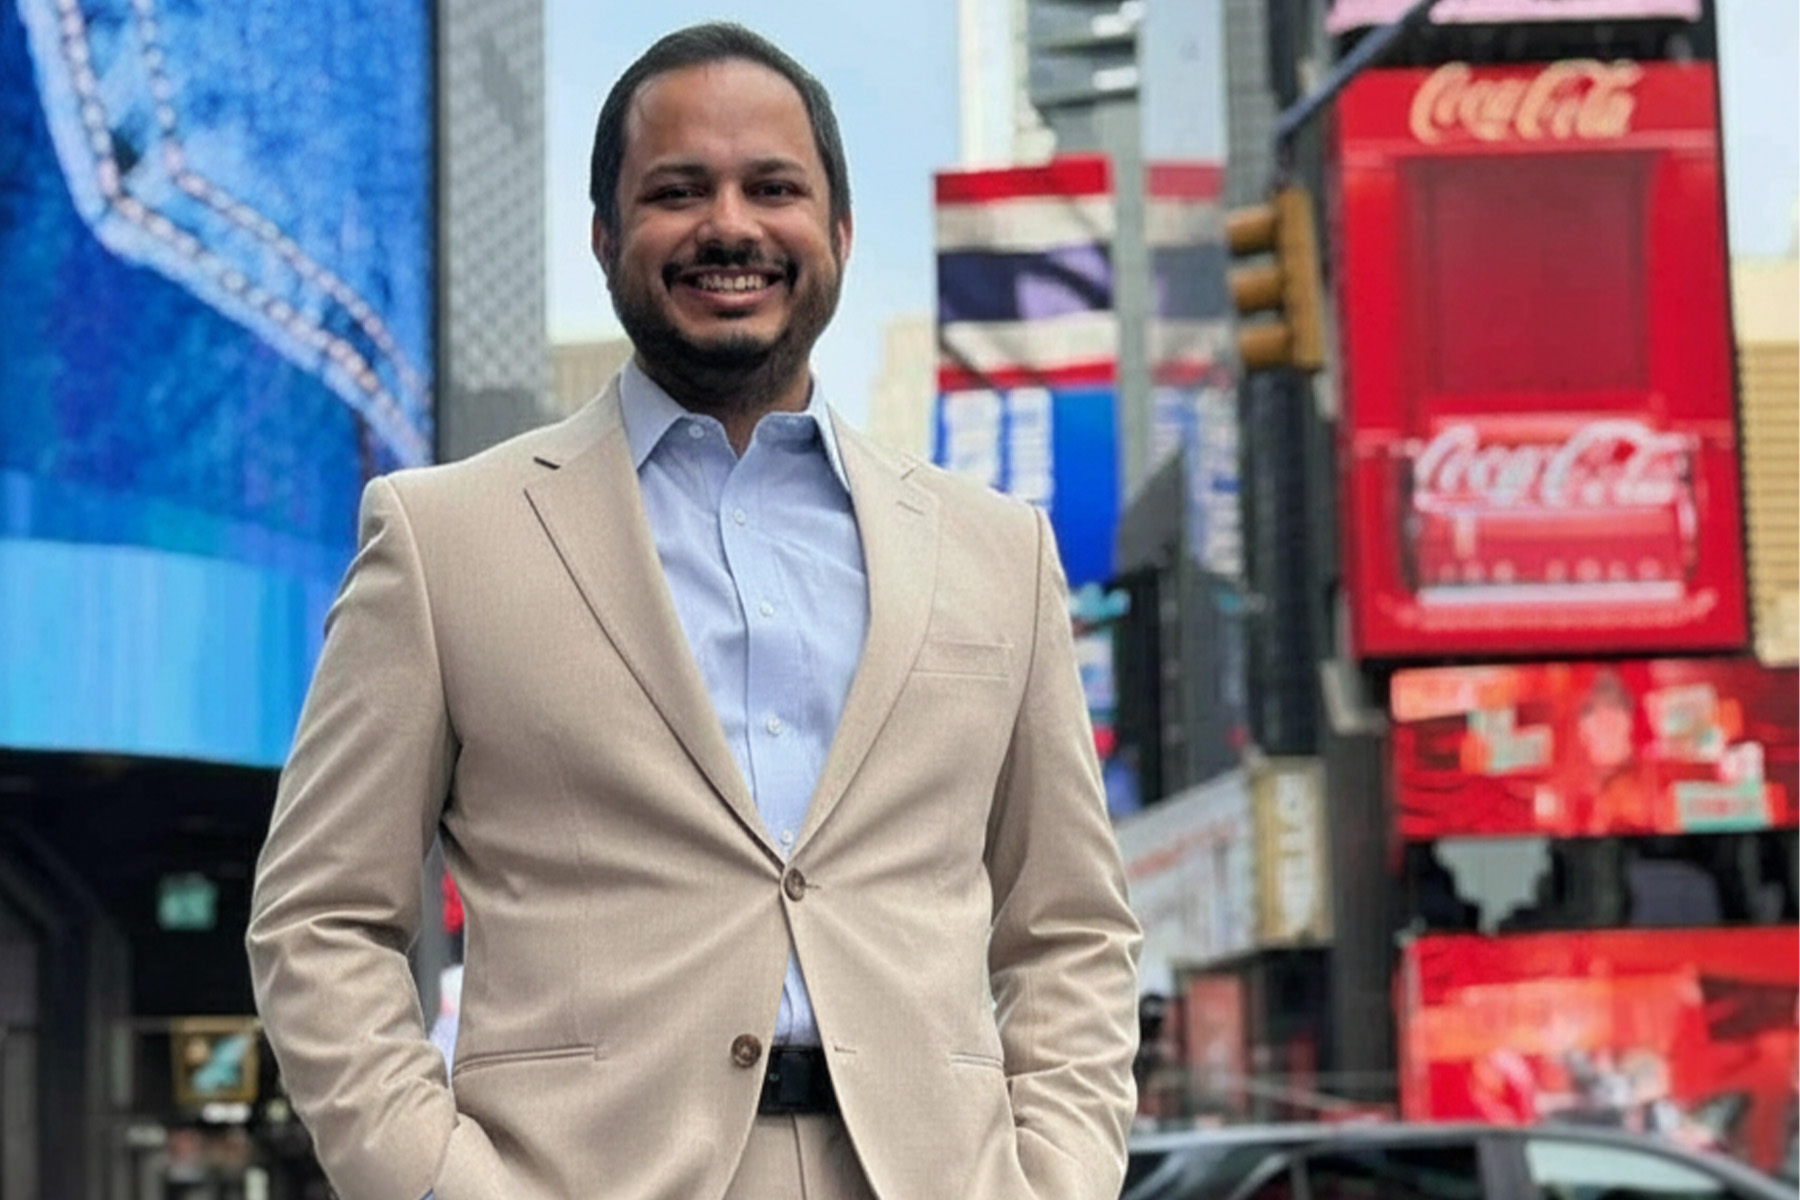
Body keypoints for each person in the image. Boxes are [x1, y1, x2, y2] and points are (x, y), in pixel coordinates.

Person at [246, 21, 1142, 1200]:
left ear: (839, 232)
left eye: (774, 187)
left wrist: (1060, 1177)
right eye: (679, 190)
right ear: (608, 237)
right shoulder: (440, 539)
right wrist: (437, 1183)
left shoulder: (998, 550)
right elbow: (319, 919)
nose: (731, 225)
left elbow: (1070, 924)